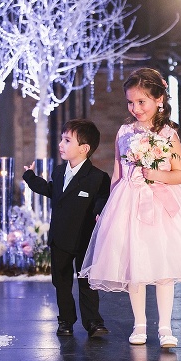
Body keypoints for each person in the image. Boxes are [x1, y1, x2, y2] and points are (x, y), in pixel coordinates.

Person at [80, 68, 181, 348]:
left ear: (159, 99)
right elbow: (118, 173)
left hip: (161, 203)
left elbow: (180, 174)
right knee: (135, 265)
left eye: (141, 101)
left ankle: (165, 326)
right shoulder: (124, 132)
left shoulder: (168, 134)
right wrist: (108, 206)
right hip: (129, 202)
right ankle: (139, 324)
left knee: (163, 266)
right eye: (130, 102)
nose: (136, 108)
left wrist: (156, 175)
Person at [22, 119, 111, 337]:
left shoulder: (97, 177)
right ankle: (65, 321)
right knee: (61, 282)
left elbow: (103, 199)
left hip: (84, 239)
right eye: (62, 139)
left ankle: (93, 322)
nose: (61, 144)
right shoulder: (59, 172)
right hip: (60, 237)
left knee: (87, 282)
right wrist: (30, 177)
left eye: (67, 140)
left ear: (84, 148)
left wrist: (100, 211)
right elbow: (50, 189)